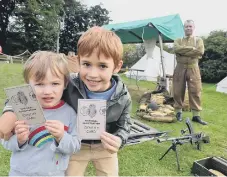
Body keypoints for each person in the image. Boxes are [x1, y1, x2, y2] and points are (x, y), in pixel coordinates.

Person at [0, 26, 132, 176]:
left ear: (117, 66)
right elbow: (27, 95)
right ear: (78, 61)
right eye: (87, 64)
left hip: (104, 147)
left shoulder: (122, 95)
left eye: (102, 66)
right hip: (77, 144)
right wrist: (9, 111)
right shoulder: (69, 84)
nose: (93, 74)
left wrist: (120, 139)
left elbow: (126, 123)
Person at [1, 51, 81, 176]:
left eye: (55, 83)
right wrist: (19, 140)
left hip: (53, 173)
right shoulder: (22, 108)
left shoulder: (69, 113)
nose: (47, 91)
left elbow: (75, 146)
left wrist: (61, 136)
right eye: (39, 84)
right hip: (21, 173)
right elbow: (5, 142)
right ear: (28, 85)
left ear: (65, 84)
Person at [173, 20, 207, 125]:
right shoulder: (178, 40)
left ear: (193, 28)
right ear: (184, 28)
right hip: (180, 68)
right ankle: (178, 113)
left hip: (193, 68)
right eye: (186, 26)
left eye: (190, 26)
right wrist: (192, 50)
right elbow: (176, 49)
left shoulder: (199, 40)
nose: (188, 28)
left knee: (195, 91)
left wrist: (183, 52)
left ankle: (196, 116)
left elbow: (200, 51)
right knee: (178, 91)